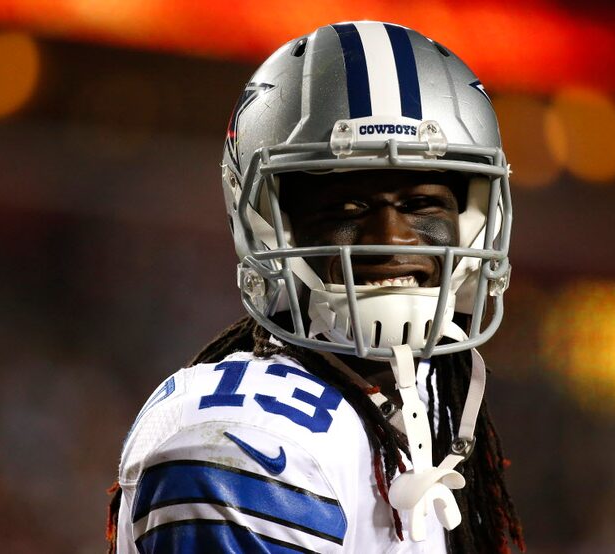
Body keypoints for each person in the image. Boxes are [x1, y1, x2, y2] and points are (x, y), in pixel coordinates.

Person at [107, 20, 525, 553]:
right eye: (346, 208)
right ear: (269, 225)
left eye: (421, 204)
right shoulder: (242, 435)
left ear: (475, 220)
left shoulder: (428, 397)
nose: (391, 239)